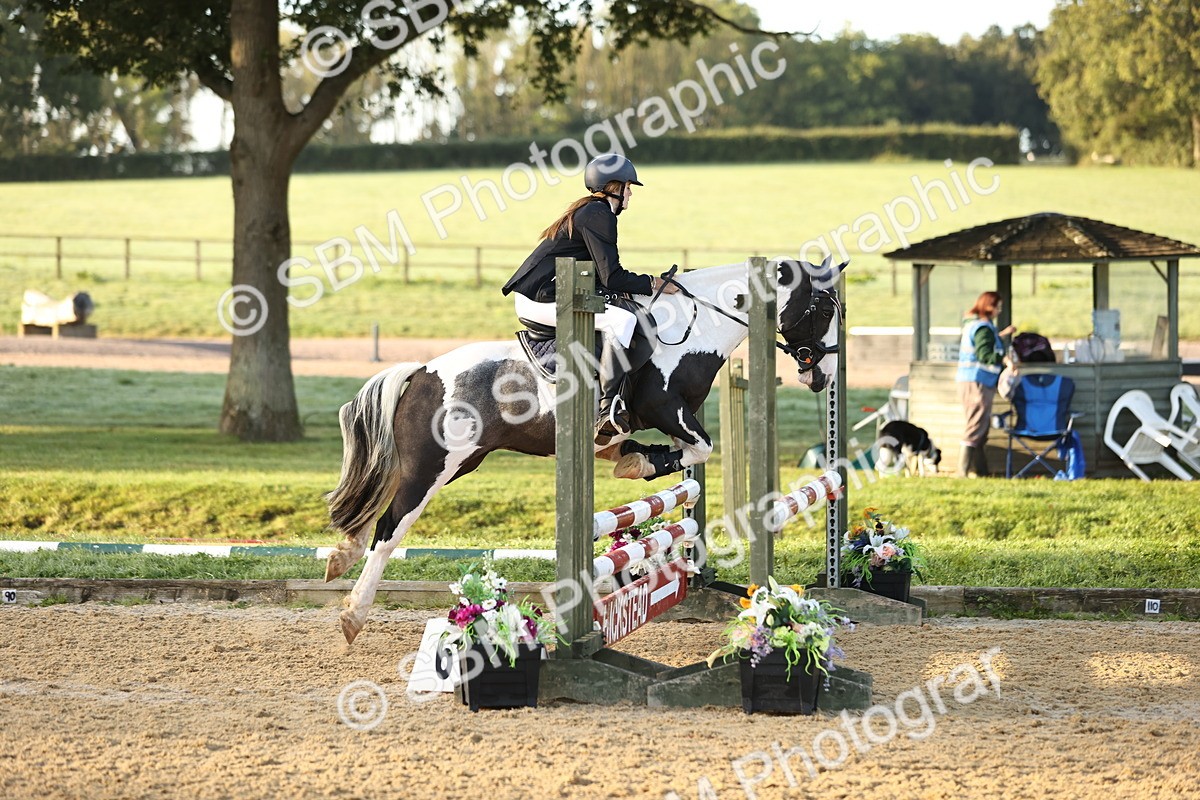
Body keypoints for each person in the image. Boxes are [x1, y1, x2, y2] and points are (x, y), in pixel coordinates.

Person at [502, 153, 678, 445]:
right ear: (612, 187)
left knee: (621, 312)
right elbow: (613, 277)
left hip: (553, 294)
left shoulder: (591, 211)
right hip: (542, 300)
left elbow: (601, 276)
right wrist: (652, 282)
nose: (631, 194)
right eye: (628, 187)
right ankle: (609, 407)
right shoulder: (599, 214)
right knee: (622, 318)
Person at [955, 291, 1015, 477]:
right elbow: (985, 354)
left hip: (974, 381)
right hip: (977, 382)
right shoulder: (983, 328)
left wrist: (1004, 334)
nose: (999, 311)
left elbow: (988, 342)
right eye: (997, 307)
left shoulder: (978, 325)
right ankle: (962, 471)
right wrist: (1006, 360)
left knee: (981, 426)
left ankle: (981, 471)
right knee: (976, 424)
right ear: (989, 306)